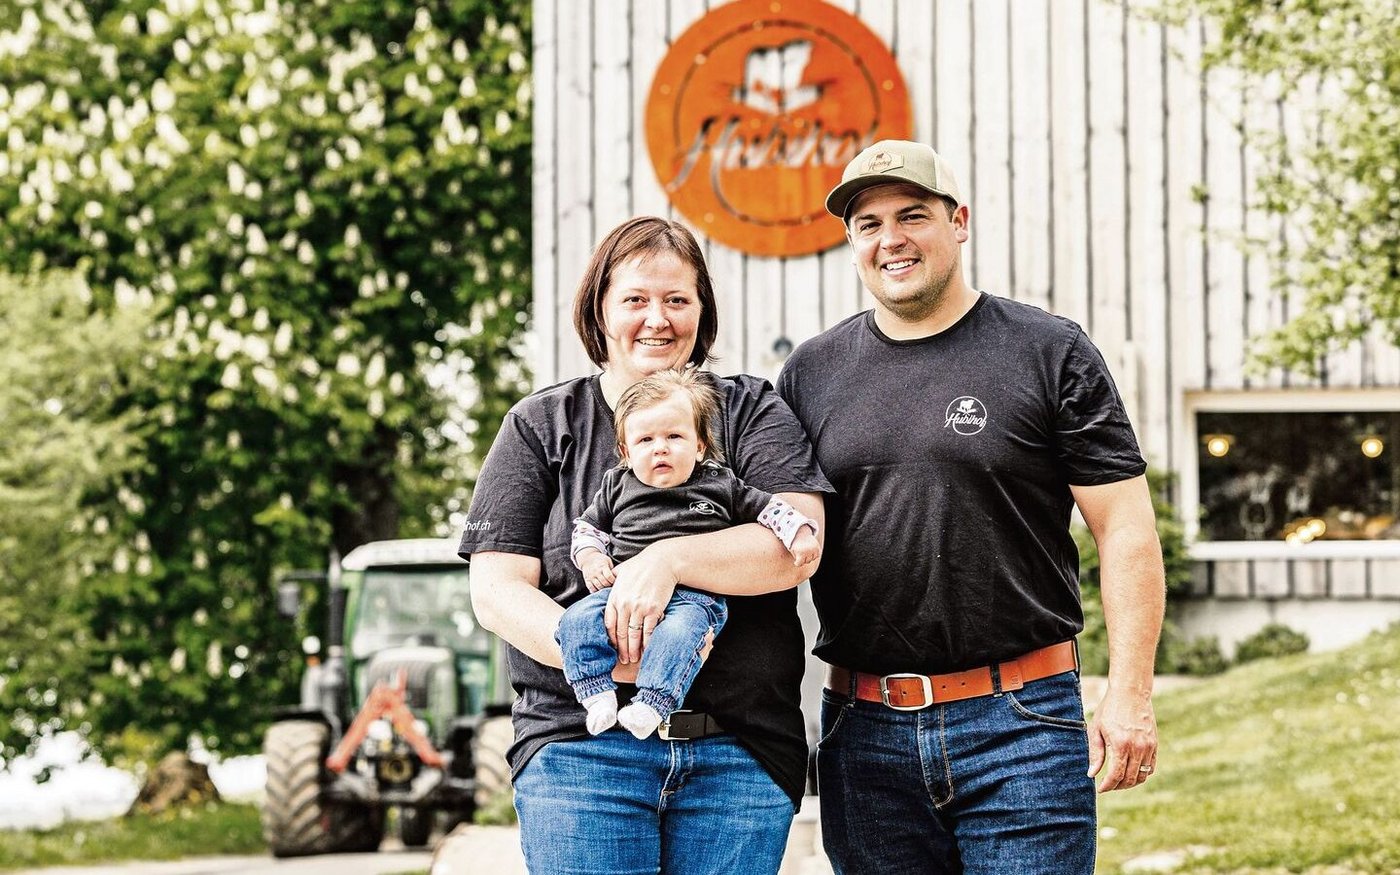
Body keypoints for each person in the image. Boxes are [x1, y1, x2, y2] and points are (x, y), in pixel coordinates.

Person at [777, 140, 1165, 874]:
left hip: (1021, 722)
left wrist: (1130, 694)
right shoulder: (810, 373)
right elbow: (778, 535)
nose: (891, 238)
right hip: (864, 733)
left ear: (959, 222)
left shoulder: (1049, 352)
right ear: (851, 242)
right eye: (868, 223)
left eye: (912, 215)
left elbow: (1125, 529)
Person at [459, 216, 831, 875]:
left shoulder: (750, 412)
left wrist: (667, 560)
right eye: (635, 299)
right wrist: (609, 659)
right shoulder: (541, 426)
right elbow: (496, 590)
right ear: (600, 310)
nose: (656, 319)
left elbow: (797, 546)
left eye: (677, 299)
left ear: (701, 310)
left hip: (736, 753)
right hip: (582, 751)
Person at [559, 368, 821, 739]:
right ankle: (596, 692)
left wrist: (799, 533)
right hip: (621, 593)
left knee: (681, 635)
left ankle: (653, 702)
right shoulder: (616, 485)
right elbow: (586, 530)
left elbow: (771, 510)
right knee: (574, 621)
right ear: (626, 452)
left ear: (699, 445)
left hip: (695, 599)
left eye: (674, 436)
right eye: (646, 439)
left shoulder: (719, 483)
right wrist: (592, 558)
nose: (660, 447)